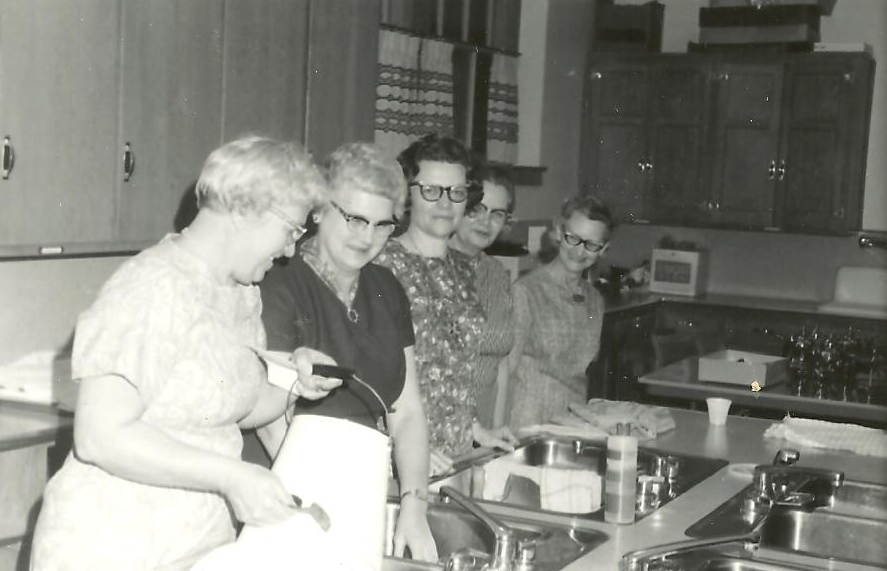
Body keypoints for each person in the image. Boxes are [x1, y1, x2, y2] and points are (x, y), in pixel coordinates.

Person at [31, 136, 343, 571]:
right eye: (291, 230)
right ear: (244, 210)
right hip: (111, 546)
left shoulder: (240, 292)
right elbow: (100, 435)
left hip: (195, 545)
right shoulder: (151, 286)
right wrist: (230, 476)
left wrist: (295, 384)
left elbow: (226, 409)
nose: (291, 249)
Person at [257, 142, 437, 561]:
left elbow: (407, 411)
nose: (367, 236)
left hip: (362, 488)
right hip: (288, 496)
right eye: (355, 218)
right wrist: (319, 511)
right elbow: (270, 424)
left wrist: (414, 504)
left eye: (382, 224)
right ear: (319, 209)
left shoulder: (387, 289)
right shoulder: (278, 282)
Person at [375, 134, 518, 468]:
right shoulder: (382, 266)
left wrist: (475, 429)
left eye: (455, 192)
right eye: (431, 190)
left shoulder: (462, 270)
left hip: (453, 457)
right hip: (399, 462)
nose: (445, 204)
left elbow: (450, 371)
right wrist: (403, 450)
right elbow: (371, 380)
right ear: (407, 195)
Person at [505, 194, 614, 431]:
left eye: (591, 244)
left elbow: (579, 371)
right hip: (528, 425)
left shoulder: (595, 301)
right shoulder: (526, 291)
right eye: (573, 238)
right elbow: (507, 371)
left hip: (573, 425)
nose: (579, 251)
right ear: (557, 232)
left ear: (603, 249)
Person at [448, 163, 516, 429]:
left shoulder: (498, 274)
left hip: (484, 429)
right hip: (439, 432)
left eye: (497, 214)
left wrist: (496, 433)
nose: (485, 222)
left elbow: (501, 365)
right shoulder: (431, 267)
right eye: (476, 210)